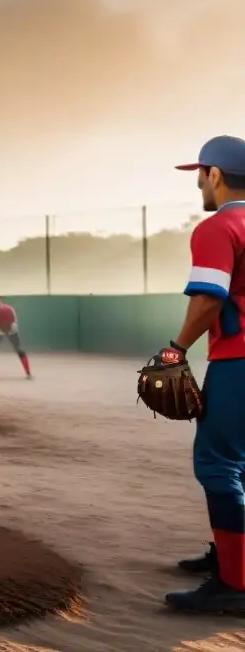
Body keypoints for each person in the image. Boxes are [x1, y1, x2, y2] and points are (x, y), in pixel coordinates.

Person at [164, 135, 245, 614]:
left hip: (238, 362)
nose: (198, 183)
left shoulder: (219, 226)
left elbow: (209, 300)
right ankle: (233, 556)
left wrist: (177, 349)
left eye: (200, 174)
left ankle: (234, 584)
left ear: (215, 174)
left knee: (217, 464)